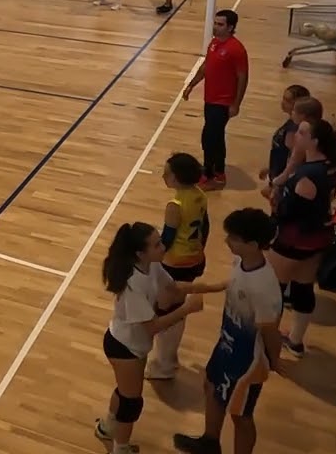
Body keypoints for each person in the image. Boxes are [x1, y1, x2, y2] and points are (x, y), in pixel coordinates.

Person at [95, 222, 215, 454]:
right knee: (131, 402)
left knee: (124, 391)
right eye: (157, 244)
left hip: (134, 346)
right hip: (123, 347)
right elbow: (152, 327)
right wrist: (187, 309)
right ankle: (120, 448)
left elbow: (173, 288)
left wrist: (212, 287)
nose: (163, 246)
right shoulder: (133, 284)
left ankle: (107, 427)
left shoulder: (152, 267)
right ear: (140, 252)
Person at [173, 208, 284, 454]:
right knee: (211, 385)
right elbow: (231, 283)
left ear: (253, 244)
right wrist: (199, 287)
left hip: (248, 362)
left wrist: (274, 360)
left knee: (241, 415)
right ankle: (209, 442)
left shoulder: (264, 287)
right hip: (226, 344)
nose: (226, 241)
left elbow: (270, 330)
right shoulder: (242, 262)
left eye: (233, 238)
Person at [270, 117, 336, 358]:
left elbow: (292, 212)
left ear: (314, 141)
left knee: (274, 290)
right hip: (317, 238)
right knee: (303, 288)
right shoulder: (330, 166)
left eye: (302, 133)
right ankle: (296, 341)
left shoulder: (307, 176)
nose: (296, 135)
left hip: (295, 238)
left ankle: (267, 344)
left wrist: (275, 201)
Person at [147, 152, 210, 380]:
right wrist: (199, 250)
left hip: (175, 263)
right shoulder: (200, 196)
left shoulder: (174, 205)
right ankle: (167, 360)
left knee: (167, 311)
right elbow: (205, 227)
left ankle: (165, 365)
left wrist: (151, 257)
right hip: (193, 259)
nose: (163, 176)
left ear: (176, 177)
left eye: (167, 173)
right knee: (175, 307)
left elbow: (168, 239)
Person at [183, 10, 248, 190]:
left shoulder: (236, 49)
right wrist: (191, 84)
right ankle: (213, 170)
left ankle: (214, 175)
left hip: (223, 102)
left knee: (211, 138)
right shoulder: (214, 43)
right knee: (212, 137)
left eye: (220, 24)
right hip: (210, 99)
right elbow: (206, 67)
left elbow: (243, 77)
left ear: (231, 27)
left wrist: (236, 104)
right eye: (216, 23)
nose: (215, 27)